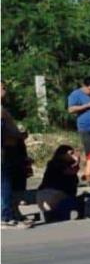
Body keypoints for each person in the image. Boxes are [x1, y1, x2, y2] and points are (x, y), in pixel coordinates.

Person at [1, 80, 33, 229]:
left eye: (4, 87)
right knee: (4, 184)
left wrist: (18, 136)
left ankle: (11, 214)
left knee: (11, 184)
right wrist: (16, 137)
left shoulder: (3, 108)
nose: (4, 89)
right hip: (4, 152)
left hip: (11, 152)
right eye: (1, 87)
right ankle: (5, 217)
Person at [37, 145, 84, 222]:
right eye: (70, 153)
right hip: (53, 195)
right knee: (79, 202)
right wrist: (77, 161)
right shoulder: (56, 163)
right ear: (62, 154)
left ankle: (52, 214)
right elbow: (71, 171)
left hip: (50, 196)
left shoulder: (55, 163)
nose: (73, 155)